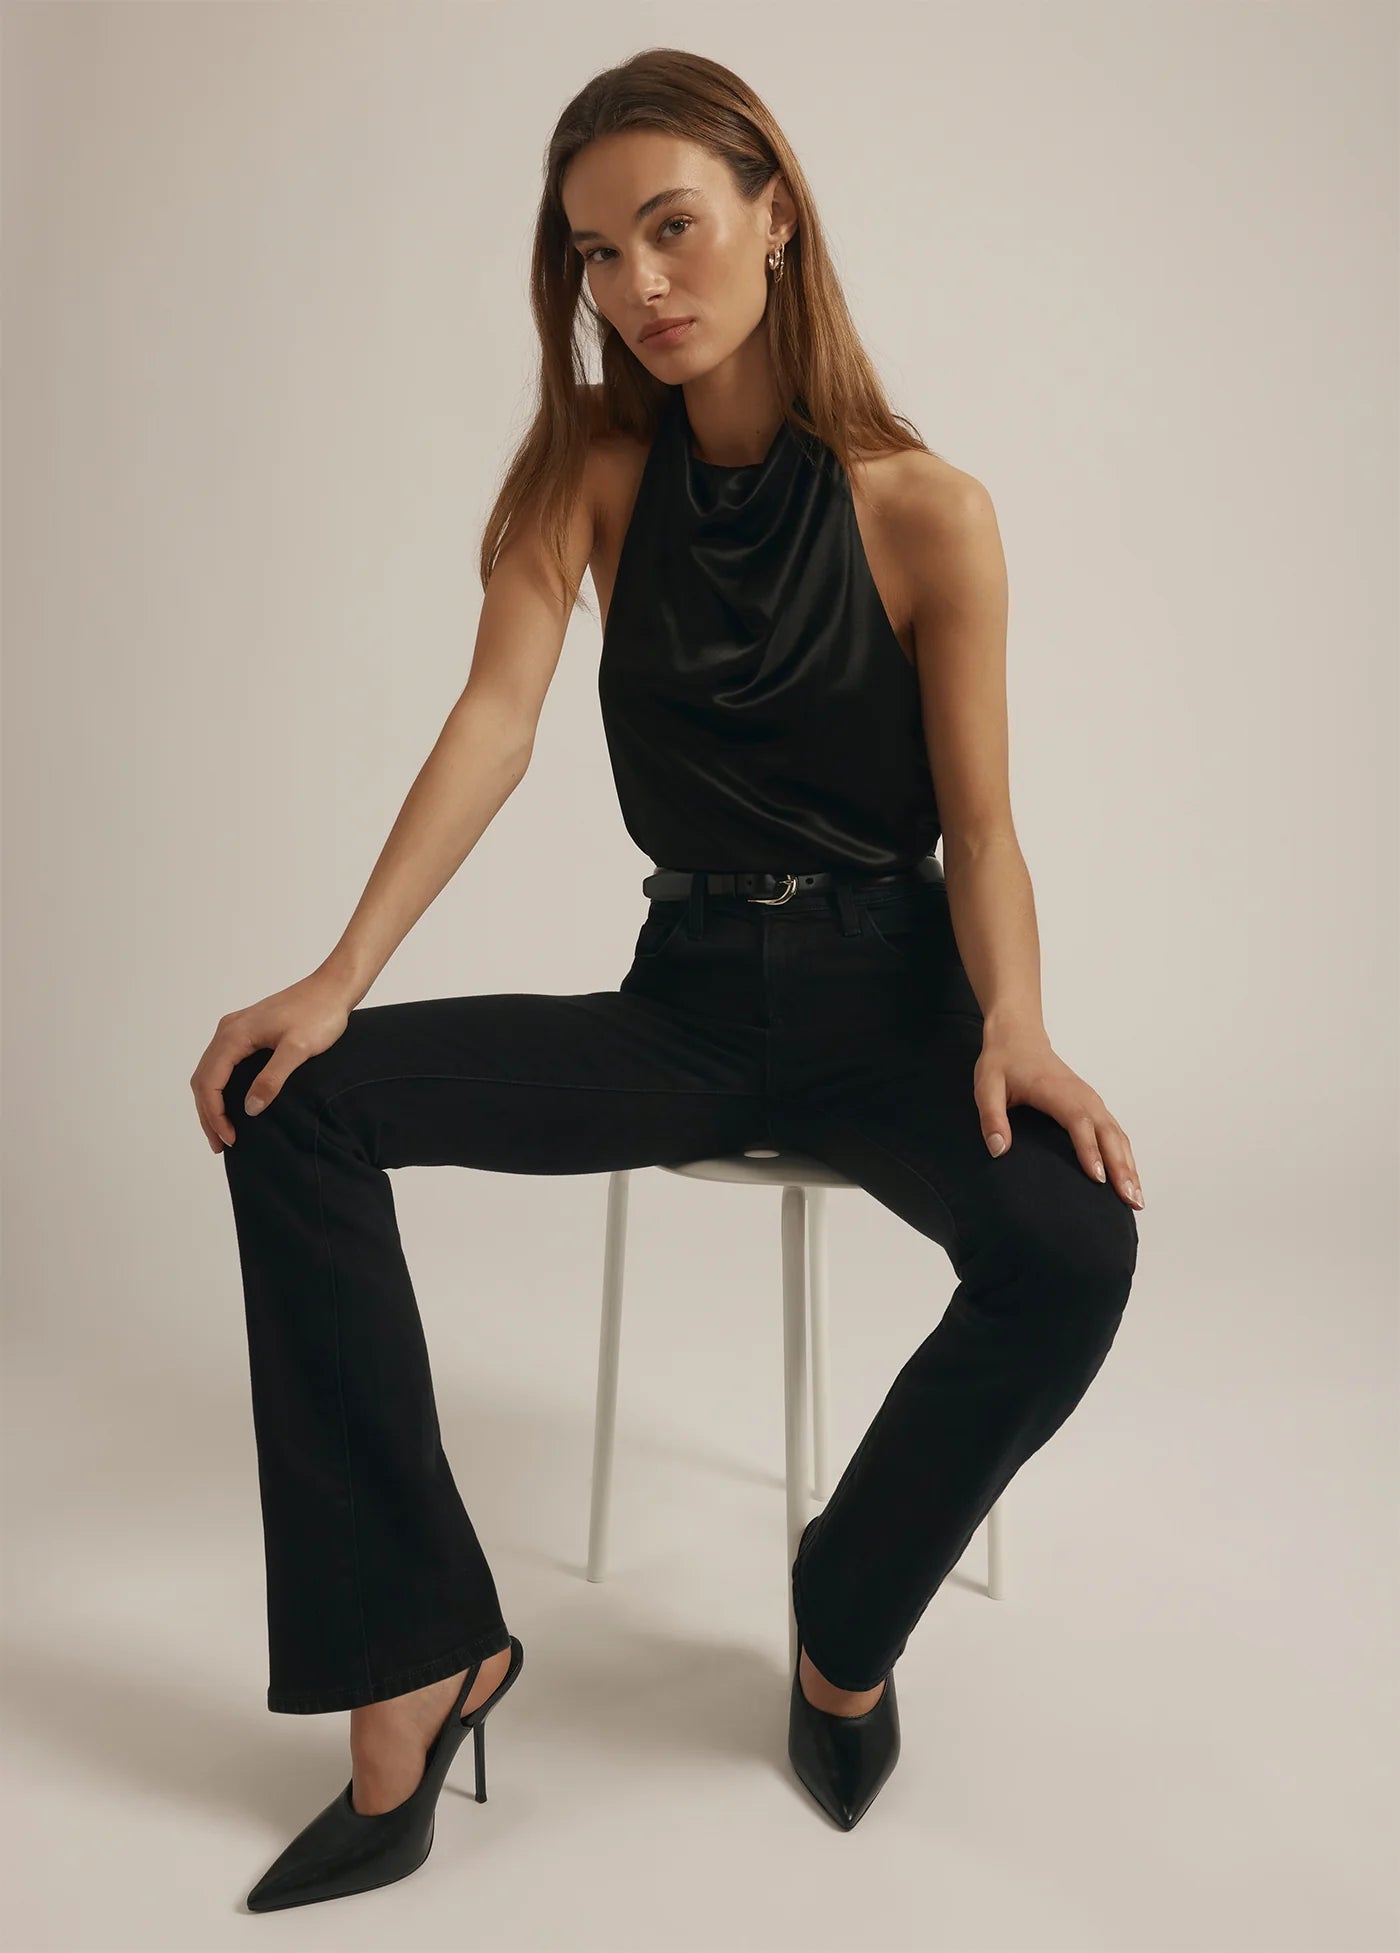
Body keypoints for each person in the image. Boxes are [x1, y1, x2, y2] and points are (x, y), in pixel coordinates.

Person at [191, 48, 1142, 1910]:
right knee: (289, 1105)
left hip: (893, 1006)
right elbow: (493, 719)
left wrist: (1015, 1022)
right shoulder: (594, 477)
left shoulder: (924, 508)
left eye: (674, 227)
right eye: (597, 253)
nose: (641, 284)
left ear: (778, 217)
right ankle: (416, 1656)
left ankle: (842, 1626)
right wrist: (339, 972)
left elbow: (986, 817)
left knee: (1075, 1247)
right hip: (687, 1008)